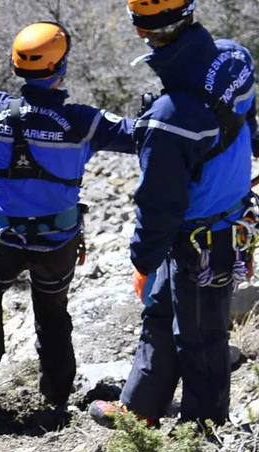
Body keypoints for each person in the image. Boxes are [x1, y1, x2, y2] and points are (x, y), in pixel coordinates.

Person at [0, 22, 136, 435]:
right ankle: (55, 404)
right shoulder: (82, 122)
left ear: (17, 68)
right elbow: (138, 136)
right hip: (57, 245)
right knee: (52, 316)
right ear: (61, 67)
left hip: (4, 243)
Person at [90, 0, 257, 429]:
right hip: (215, 227)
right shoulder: (234, 58)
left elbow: (159, 204)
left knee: (202, 339)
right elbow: (247, 121)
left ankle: (203, 433)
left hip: (204, 238)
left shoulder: (170, 118)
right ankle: (140, 408)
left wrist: (143, 261)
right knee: (160, 314)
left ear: (140, 30)